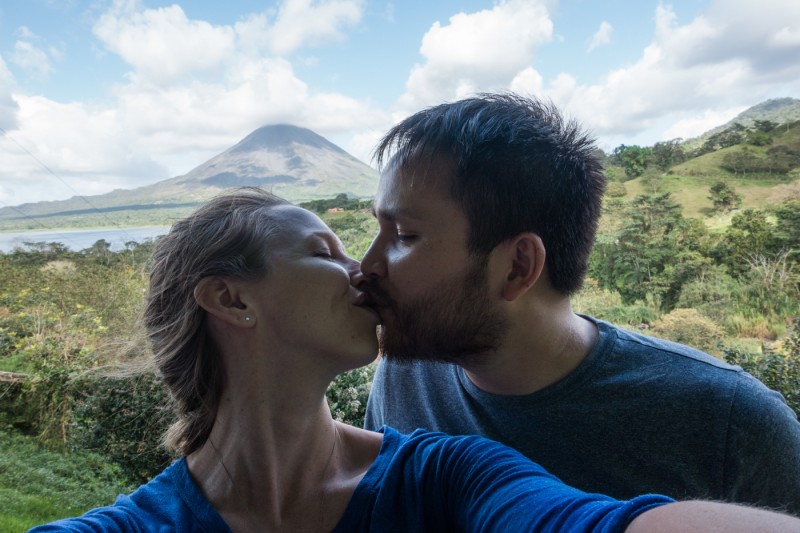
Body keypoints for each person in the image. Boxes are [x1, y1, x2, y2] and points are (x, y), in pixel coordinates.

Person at [30, 188, 800, 532]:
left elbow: (588, 522)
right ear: (232, 301)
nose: (364, 270)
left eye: (395, 237)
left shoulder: (451, 478)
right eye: (326, 251)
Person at [361, 93, 800, 515]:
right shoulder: (403, 378)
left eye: (404, 236)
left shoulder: (730, 424)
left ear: (518, 266)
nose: (368, 264)